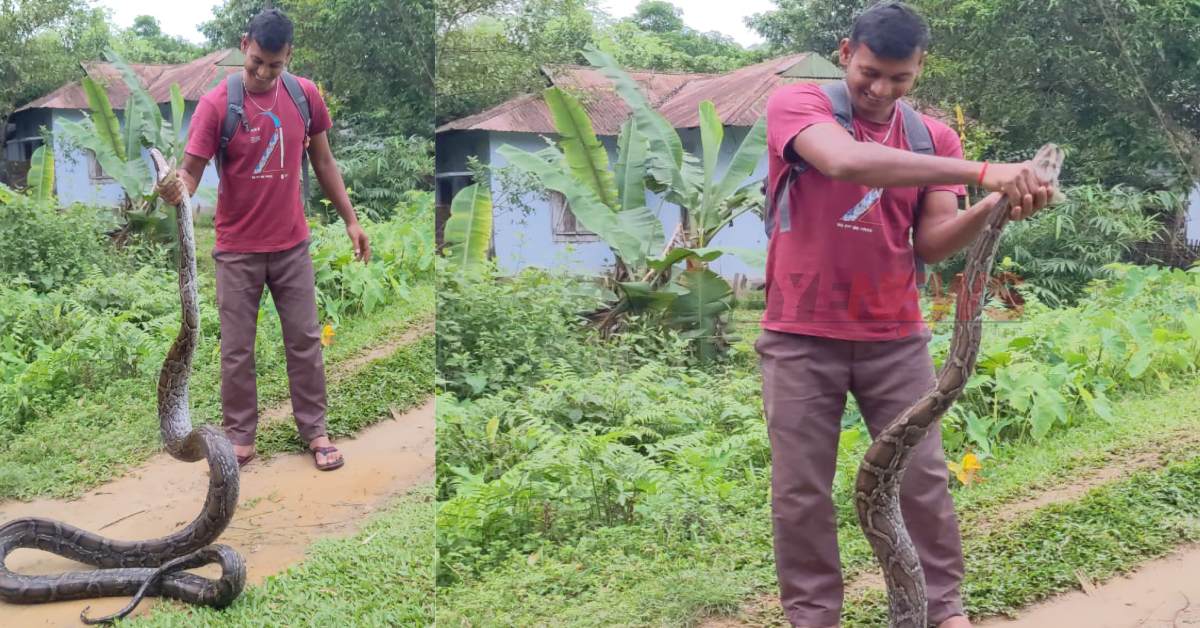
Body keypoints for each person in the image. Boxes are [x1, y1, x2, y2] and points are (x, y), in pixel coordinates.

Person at [757, 3, 1057, 627]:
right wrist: (983, 171)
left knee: (922, 482)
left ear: (920, 69)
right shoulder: (798, 105)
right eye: (869, 72)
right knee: (800, 493)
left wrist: (994, 203)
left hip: (895, 339)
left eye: (900, 79)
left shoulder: (932, 138)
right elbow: (843, 162)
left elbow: (934, 242)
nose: (880, 89)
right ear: (845, 53)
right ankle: (813, 619)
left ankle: (944, 614)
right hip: (798, 336)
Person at [158, 8, 370, 472]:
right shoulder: (217, 105)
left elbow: (325, 163)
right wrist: (176, 188)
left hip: (292, 245)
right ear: (244, 45)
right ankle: (240, 437)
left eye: (274, 65)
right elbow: (190, 174)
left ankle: (315, 430)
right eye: (255, 61)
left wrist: (351, 220)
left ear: (288, 56)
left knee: (305, 341)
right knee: (237, 348)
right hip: (236, 250)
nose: (261, 72)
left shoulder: (304, 96)